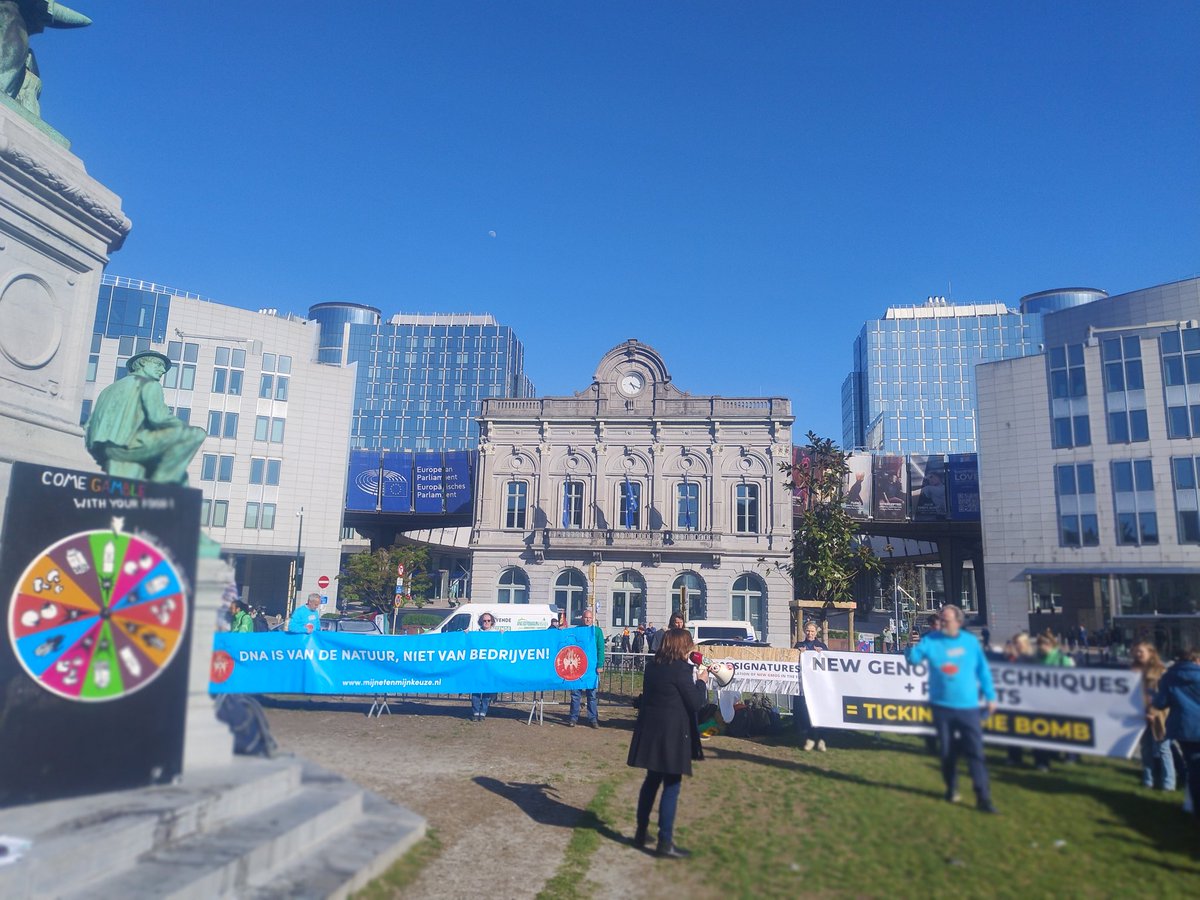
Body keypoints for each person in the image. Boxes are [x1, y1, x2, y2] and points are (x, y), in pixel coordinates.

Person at [905, 604, 998, 813]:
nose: (942, 623)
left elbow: (982, 670)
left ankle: (983, 797)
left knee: (975, 752)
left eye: (946, 620)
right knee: (947, 752)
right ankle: (951, 788)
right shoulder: (931, 640)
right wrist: (911, 645)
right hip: (942, 707)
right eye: (941, 620)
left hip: (968, 707)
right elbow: (913, 660)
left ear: (958, 622)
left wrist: (990, 696)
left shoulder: (970, 642)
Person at [627, 627, 709, 858]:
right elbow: (695, 703)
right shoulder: (681, 670)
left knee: (651, 781)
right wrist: (702, 681)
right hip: (672, 734)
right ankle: (665, 842)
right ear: (682, 646)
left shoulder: (653, 666)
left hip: (651, 731)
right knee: (671, 786)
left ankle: (641, 832)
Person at [84, 350, 207, 484]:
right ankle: (161, 484)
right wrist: (182, 427)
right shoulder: (149, 384)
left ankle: (168, 481)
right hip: (128, 447)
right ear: (143, 363)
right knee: (196, 434)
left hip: (101, 450)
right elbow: (159, 418)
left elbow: (88, 425)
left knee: (181, 476)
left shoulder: (109, 389)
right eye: (158, 365)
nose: (163, 370)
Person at [1152, 647, 1200, 818]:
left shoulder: (1168, 677)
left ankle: (1196, 810)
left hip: (1184, 729)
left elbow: (1160, 703)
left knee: (1194, 770)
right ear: (1197, 660)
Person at [1132, 641, 1175, 791]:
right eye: (1136, 651)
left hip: (1159, 716)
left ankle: (1168, 783)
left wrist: (1152, 713)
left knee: (1163, 749)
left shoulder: (1160, 671)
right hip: (1139, 715)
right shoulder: (1133, 670)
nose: (1138, 654)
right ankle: (1148, 780)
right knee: (1146, 749)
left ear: (1150, 653)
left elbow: (1163, 696)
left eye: (1141, 651)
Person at [793, 621, 828, 752]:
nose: (810, 633)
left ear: (816, 632)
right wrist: (798, 653)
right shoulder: (799, 645)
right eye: (808, 630)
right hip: (804, 685)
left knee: (820, 712)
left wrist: (821, 653)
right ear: (804, 631)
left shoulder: (822, 646)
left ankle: (822, 739)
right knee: (806, 712)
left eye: (812, 631)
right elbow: (791, 659)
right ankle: (810, 738)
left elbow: (828, 661)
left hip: (818, 685)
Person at [568, 608, 606, 727]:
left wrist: (600, 664)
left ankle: (593, 718)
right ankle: (573, 718)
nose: (588, 620)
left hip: (592, 668)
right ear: (582, 618)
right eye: (586, 617)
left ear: (592, 619)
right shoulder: (576, 630)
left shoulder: (597, 631)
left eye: (590, 618)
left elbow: (601, 649)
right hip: (577, 667)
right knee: (575, 694)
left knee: (592, 695)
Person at [470, 613, 497, 722]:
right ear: (481, 622)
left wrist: (502, 636)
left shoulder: (496, 634)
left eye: (488, 620)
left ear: (492, 622)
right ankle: (475, 712)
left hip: (489, 668)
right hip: (477, 667)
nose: (486, 622)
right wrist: (465, 635)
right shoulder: (476, 633)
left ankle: (483, 712)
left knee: (487, 691)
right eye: (484, 620)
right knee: (476, 690)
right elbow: (469, 643)